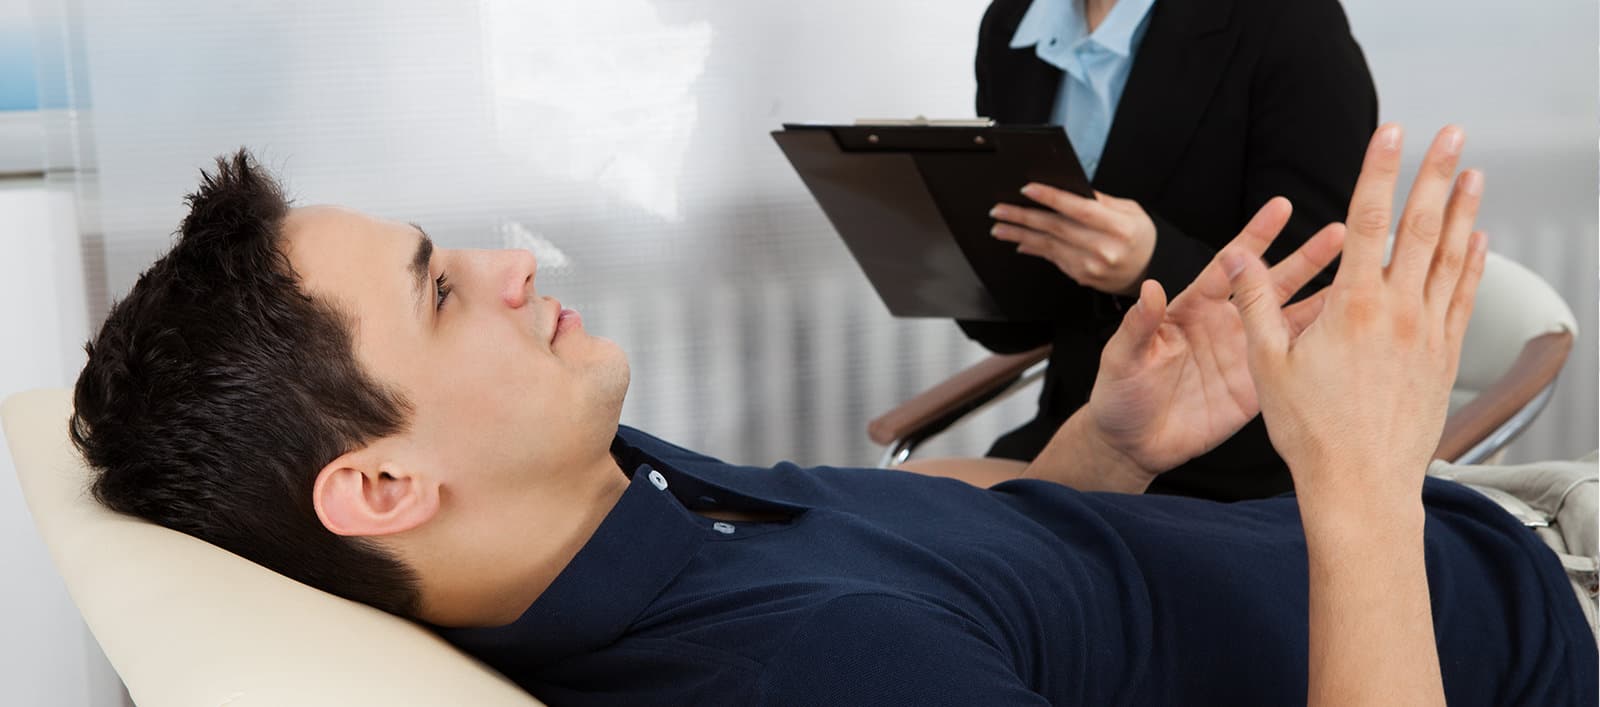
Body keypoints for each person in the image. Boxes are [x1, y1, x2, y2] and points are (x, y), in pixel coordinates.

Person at [67, 126, 1595, 706]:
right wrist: (1362, 483)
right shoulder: (809, 676)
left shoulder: (609, 510)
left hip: (1468, 541)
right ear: (384, 484)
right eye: (441, 290)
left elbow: (927, 553)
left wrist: (1110, 448)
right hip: (1533, 637)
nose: (509, 263)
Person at [963, 0, 1379, 500]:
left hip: (1241, 470)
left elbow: (1319, 299)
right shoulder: (1013, 22)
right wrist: (942, 250)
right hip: (1073, 438)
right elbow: (1014, 324)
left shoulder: (1292, 22)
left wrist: (1152, 262)